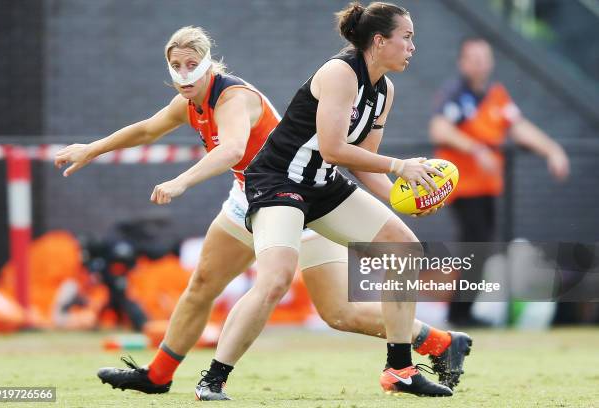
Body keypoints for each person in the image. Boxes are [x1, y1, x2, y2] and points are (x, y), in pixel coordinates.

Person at [54, 24, 469, 400]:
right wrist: (91, 148)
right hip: (260, 192)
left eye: (191, 64)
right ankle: (161, 375)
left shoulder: (235, 97)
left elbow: (235, 149)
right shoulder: (190, 101)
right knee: (204, 283)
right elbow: (146, 129)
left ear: (209, 64)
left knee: (339, 309)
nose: (183, 73)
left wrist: (182, 181)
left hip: (303, 189)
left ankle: (423, 351)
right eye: (175, 65)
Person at [192, 2, 464, 400]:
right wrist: (400, 166)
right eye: (406, 37)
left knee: (404, 249)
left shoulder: (384, 90)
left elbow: (365, 161)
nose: (412, 47)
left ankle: (400, 369)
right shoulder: (339, 73)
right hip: (277, 181)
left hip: (323, 187)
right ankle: (212, 380)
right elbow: (336, 148)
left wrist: (402, 198)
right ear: (378, 40)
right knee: (276, 279)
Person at [429, 36, 570, 327]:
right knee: (475, 247)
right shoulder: (457, 93)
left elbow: (518, 128)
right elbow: (439, 129)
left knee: (480, 249)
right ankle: (460, 314)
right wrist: (476, 148)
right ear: (463, 62)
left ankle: (462, 313)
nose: (480, 63)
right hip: (462, 188)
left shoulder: (496, 95)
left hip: (487, 188)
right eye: (474, 58)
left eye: (485, 57)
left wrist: (552, 150)